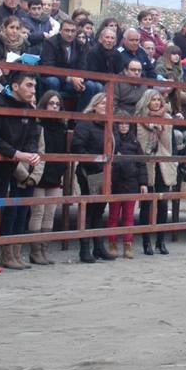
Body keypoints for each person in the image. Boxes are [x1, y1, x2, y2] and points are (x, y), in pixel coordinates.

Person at [0, 71, 42, 272]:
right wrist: (18, 154)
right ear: (15, 86)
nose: (32, 90)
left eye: (34, 86)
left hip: (8, 166)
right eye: (29, 85)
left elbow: (32, 135)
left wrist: (32, 152)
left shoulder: (28, 108)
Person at [71, 92, 114, 262]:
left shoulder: (109, 125)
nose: (106, 107)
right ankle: (84, 249)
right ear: (95, 105)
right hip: (89, 172)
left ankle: (98, 246)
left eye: (109, 104)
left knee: (99, 210)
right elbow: (77, 147)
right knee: (88, 211)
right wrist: (96, 163)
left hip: (105, 172)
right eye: (103, 104)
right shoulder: (85, 124)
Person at [25, 91, 67, 265]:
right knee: (38, 212)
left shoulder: (61, 128)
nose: (55, 107)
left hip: (55, 173)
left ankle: (44, 249)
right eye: (51, 103)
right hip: (40, 172)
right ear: (44, 105)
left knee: (50, 213)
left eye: (57, 104)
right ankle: (35, 252)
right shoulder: (37, 126)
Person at [134, 88, 176, 255]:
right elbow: (142, 145)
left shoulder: (167, 119)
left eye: (159, 99)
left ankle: (160, 240)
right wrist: (151, 128)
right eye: (153, 100)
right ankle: (146, 242)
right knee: (146, 205)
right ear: (147, 101)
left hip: (163, 164)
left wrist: (160, 129)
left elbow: (167, 145)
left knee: (163, 204)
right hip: (147, 164)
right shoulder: (139, 119)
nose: (157, 102)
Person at [106, 117, 148, 260]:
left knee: (129, 216)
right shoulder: (111, 140)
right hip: (116, 183)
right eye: (120, 123)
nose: (123, 126)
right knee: (113, 215)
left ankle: (128, 244)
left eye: (126, 124)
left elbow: (141, 163)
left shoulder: (135, 142)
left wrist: (143, 183)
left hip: (131, 183)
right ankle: (112, 244)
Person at [38, 19, 91, 107]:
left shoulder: (80, 45)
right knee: (53, 82)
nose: (70, 34)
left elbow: (83, 67)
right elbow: (48, 67)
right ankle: (51, 114)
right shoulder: (50, 43)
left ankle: (80, 118)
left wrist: (79, 79)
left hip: (72, 81)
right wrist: (70, 78)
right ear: (60, 31)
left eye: (73, 31)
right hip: (52, 77)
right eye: (67, 30)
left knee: (91, 86)